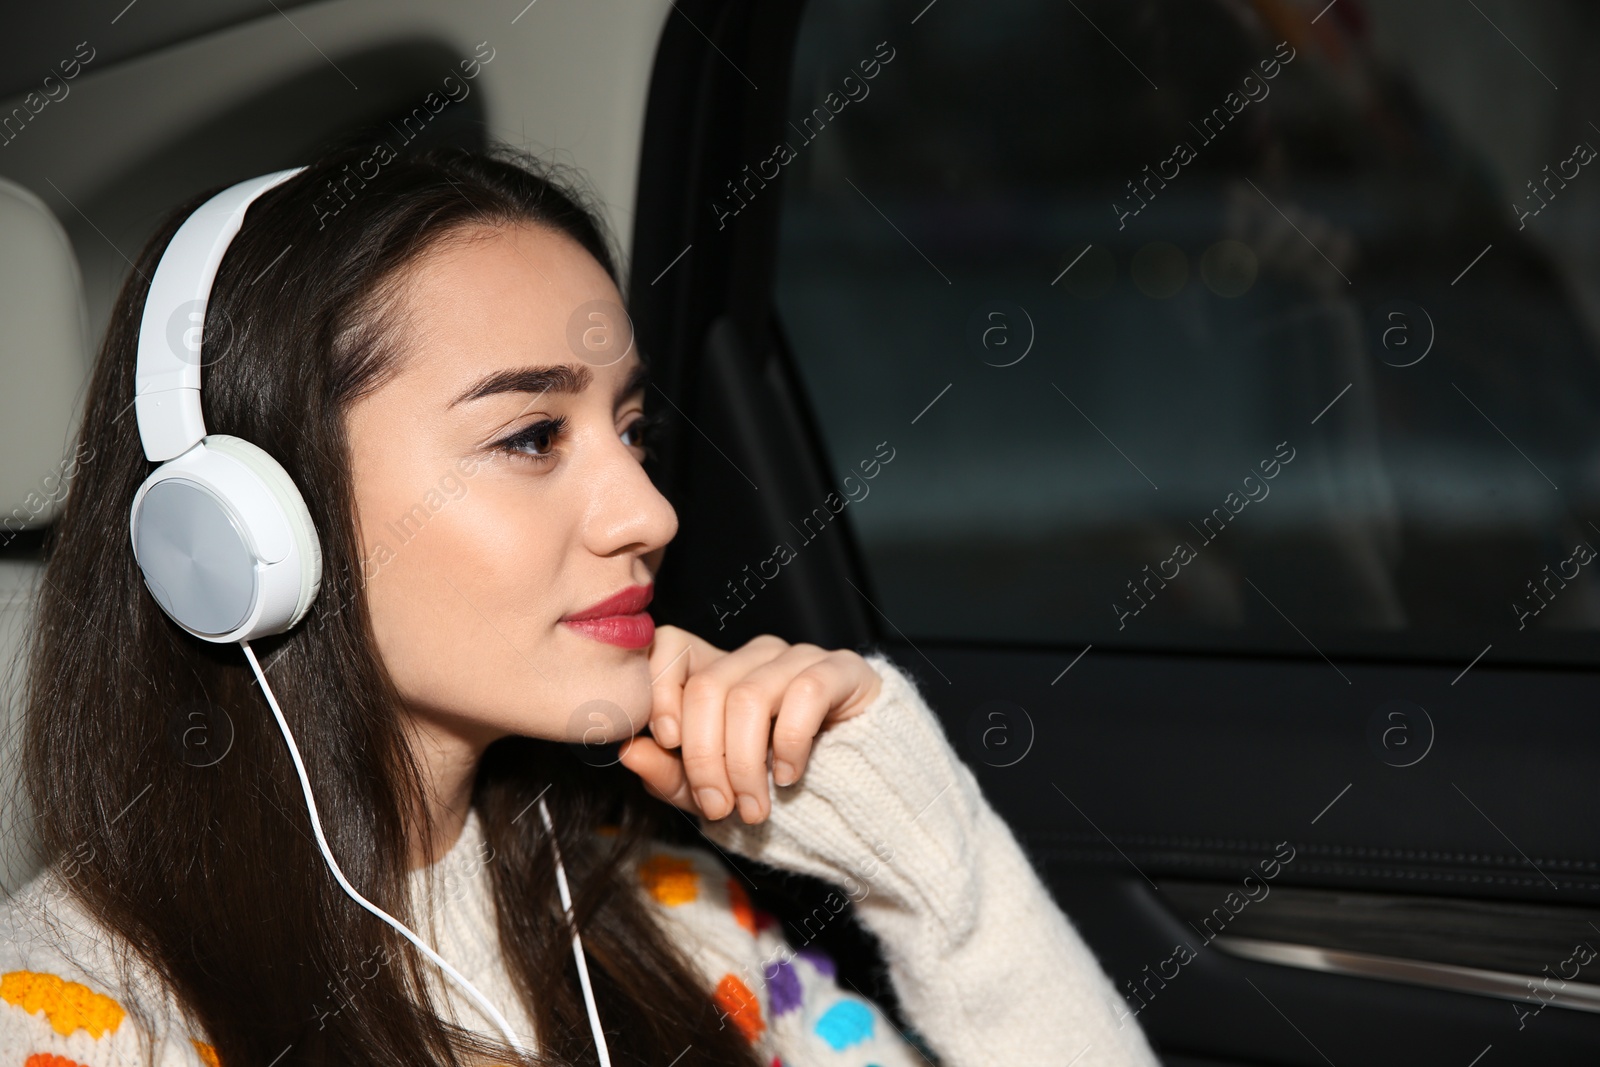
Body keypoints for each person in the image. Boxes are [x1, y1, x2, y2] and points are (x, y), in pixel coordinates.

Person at [0, 142, 1160, 1067]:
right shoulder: (71, 1019)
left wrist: (933, 867)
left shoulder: (677, 919)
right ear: (249, 517)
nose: (647, 512)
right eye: (531, 435)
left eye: (633, 429)